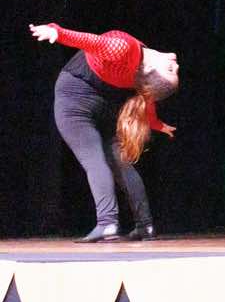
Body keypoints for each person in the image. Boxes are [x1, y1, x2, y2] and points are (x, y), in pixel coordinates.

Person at [30, 22, 179, 242]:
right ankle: (145, 226)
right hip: (106, 103)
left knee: (94, 160)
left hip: (75, 98)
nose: (176, 62)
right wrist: (156, 124)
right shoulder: (140, 74)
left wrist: (57, 32)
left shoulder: (123, 48)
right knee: (119, 162)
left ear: (149, 70)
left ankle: (107, 222)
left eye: (171, 70)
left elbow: (91, 41)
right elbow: (147, 97)